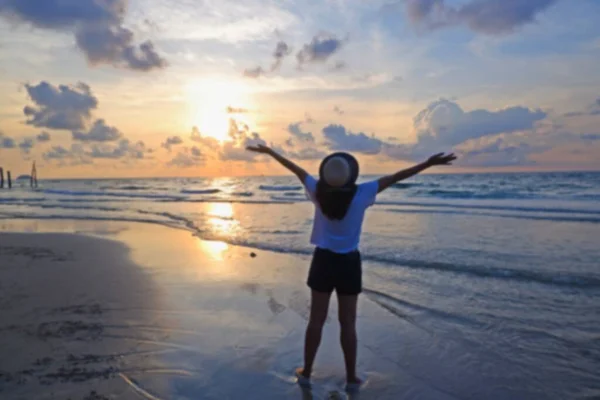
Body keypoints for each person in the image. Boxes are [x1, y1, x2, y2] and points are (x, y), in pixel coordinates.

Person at [246, 144, 456, 392]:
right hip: (348, 263)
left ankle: (307, 372)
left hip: (323, 260)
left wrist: (271, 152)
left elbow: (297, 169)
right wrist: (428, 163)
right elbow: (397, 176)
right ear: (351, 173)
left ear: (325, 173)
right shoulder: (363, 193)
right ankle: (351, 379)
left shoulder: (317, 191)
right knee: (348, 324)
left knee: (315, 321)